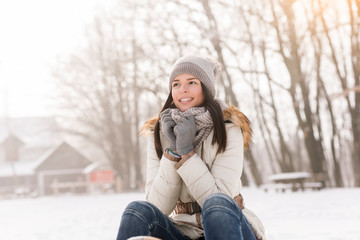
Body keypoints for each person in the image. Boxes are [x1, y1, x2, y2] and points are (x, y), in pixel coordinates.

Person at [116, 55, 265, 240]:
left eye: (192, 82)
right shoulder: (160, 133)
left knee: (217, 204)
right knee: (137, 210)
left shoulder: (228, 129)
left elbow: (220, 201)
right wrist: (173, 151)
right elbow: (157, 206)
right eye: (176, 84)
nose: (182, 90)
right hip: (183, 231)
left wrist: (187, 152)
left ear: (206, 88)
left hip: (230, 227)